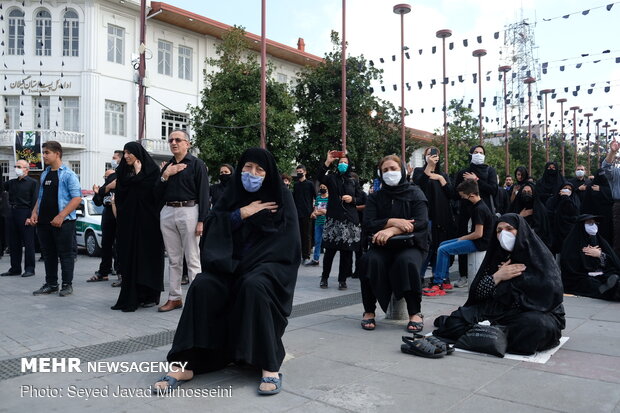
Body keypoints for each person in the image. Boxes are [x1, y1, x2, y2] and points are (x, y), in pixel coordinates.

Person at [153, 147, 300, 395]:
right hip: (228, 266)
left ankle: (269, 365)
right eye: (247, 168)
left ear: (269, 173)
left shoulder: (282, 197)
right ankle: (188, 362)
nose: (252, 174)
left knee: (254, 285)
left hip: (265, 268)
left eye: (259, 169)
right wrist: (241, 213)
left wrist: (257, 264)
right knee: (202, 285)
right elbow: (212, 226)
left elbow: (289, 244)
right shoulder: (231, 194)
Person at [433, 213, 566, 355]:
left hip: (531, 311)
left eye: (509, 229)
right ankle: (496, 335)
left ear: (521, 231)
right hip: (497, 310)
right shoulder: (495, 256)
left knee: (537, 326)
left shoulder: (539, 256)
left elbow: (549, 294)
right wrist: (498, 276)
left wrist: (518, 279)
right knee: (455, 322)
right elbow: (478, 294)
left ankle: (488, 334)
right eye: (499, 230)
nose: (504, 234)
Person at [361, 155, 429, 332]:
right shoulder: (376, 197)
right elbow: (368, 223)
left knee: (407, 262)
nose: (389, 173)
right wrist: (393, 221)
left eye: (393, 169)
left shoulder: (416, 193)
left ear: (403, 170)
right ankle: (369, 311)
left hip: (410, 244)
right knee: (369, 261)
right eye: (385, 170)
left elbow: (420, 222)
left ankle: (415, 312)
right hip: (382, 246)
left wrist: (392, 230)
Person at [156, 130, 209, 313]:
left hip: (189, 210)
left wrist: (202, 220)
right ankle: (174, 297)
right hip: (168, 211)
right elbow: (156, 193)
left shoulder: (197, 164)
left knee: (193, 257)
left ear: (188, 143)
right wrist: (165, 175)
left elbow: (204, 193)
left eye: (178, 140)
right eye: (170, 140)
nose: (173, 143)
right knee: (173, 259)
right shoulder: (167, 166)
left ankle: (198, 300)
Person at [111, 142, 164, 312]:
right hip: (128, 224)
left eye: (129, 153)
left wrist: (140, 175)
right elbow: (121, 194)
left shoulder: (152, 171)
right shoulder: (122, 172)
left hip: (148, 224)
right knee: (128, 257)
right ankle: (131, 295)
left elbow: (150, 194)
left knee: (146, 259)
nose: (126, 156)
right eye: (124, 152)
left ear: (138, 154)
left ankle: (149, 295)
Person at [28, 141, 81, 297]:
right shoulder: (45, 173)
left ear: (57, 153)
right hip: (44, 222)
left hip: (63, 222)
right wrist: (34, 212)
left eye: (46, 153)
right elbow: (41, 196)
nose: (43, 156)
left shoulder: (69, 174)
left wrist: (61, 216)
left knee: (65, 254)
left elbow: (77, 198)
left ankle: (67, 285)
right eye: (43, 153)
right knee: (48, 254)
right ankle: (51, 284)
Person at [429, 179, 494, 291]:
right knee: (442, 245)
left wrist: (462, 238)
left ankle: (438, 283)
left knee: (443, 250)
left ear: (472, 195)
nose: (463, 199)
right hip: (474, 240)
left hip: (479, 243)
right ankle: (444, 280)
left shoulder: (480, 209)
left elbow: (478, 234)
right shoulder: (478, 205)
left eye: (464, 196)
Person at [316, 151, 363, 290]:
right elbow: (319, 177)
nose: (343, 164)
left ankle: (342, 280)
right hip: (333, 220)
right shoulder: (331, 178)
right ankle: (324, 278)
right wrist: (328, 161)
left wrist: (352, 199)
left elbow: (361, 198)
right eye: (341, 162)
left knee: (346, 253)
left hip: (349, 221)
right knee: (329, 251)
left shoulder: (353, 181)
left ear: (349, 165)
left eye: (345, 162)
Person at [453, 145, 498, 288]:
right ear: (470, 154)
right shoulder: (463, 172)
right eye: (476, 152)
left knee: (485, 241)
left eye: (481, 152)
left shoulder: (490, 171)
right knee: (462, 240)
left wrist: (476, 179)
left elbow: (493, 190)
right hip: (466, 212)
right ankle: (463, 275)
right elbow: (456, 192)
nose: (478, 154)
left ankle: (485, 273)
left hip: (484, 212)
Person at [412, 146, 454, 288]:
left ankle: (441, 277)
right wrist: (429, 168)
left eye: (434, 154)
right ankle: (419, 277)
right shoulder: (419, 172)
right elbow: (419, 185)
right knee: (426, 248)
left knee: (441, 248)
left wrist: (441, 178)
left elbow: (451, 194)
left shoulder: (444, 174)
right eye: (428, 154)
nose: (431, 156)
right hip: (426, 216)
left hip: (442, 217)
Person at [560, 215, 620, 301]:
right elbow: (571, 267)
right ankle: (611, 291)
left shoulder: (599, 240)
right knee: (592, 284)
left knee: (613, 276)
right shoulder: (571, 243)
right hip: (581, 277)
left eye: (595, 223)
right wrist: (585, 256)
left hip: (601, 274)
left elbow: (614, 262)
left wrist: (600, 255)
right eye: (590, 223)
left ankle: (614, 289)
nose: (594, 226)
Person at [2, 160, 38, 278]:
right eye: (15, 166)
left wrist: (31, 216)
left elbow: (35, 201)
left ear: (26, 169)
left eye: (19, 166)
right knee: (13, 243)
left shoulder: (33, 183)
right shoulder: (11, 183)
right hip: (12, 213)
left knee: (28, 243)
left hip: (25, 212)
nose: (16, 168)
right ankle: (15, 268)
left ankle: (29, 269)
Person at [89, 163, 121, 282]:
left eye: (107, 176)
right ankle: (104, 272)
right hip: (108, 213)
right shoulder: (106, 185)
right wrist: (97, 192)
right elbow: (97, 202)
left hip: (119, 214)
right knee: (106, 243)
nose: (106, 179)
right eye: (105, 178)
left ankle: (120, 272)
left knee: (119, 245)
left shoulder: (120, 179)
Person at [509, 182, 551, 248]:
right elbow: (510, 225)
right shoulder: (515, 207)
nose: (526, 194)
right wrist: (520, 216)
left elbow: (542, 229)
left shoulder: (540, 209)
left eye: (529, 192)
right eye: (524, 192)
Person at [545, 182, 580, 255]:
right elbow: (549, 214)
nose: (567, 190)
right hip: (554, 233)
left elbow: (574, 214)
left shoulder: (574, 201)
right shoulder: (552, 200)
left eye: (569, 189)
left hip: (568, 233)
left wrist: (566, 198)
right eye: (565, 188)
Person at [581, 169, 614, 246]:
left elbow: (613, 198)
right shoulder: (591, 187)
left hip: (608, 217)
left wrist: (601, 190)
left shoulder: (611, 187)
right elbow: (585, 203)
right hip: (593, 218)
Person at [292, 164, 316, 265]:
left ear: (305, 172)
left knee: (307, 235)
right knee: (297, 235)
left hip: (308, 213)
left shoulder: (310, 184)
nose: (299, 174)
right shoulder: (296, 185)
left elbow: (316, 197)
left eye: (301, 172)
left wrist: (314, 211)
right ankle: (297, 255)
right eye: (297, 172)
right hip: (297, 213)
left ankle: (306, 256)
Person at [601, 140, 620, 256]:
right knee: (618, 237)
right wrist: (612, 152)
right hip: (619, 206)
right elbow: (606, 167)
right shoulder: (617, 172)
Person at [306, 183, 328, 266]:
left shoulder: (330, 198)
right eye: (321, 187)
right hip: (318, 223)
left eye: (324, 187)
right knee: (317, 241)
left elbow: (327, 211)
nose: (322, 188)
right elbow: (315, 210)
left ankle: (327, 261)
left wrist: (319, 212)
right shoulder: (318, 198)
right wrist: (318, 212)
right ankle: (316, 259)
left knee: (327, 243)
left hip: (327, 223)